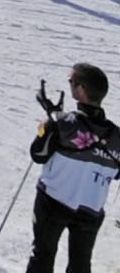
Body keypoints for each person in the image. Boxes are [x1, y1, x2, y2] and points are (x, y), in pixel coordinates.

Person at [28, 63, 120, 273]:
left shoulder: (64, 124)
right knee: (80, 265)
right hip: (91, 209)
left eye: (71, 82)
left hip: (53, 202)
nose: (70, 86)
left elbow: (38, 154)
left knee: (42, 256)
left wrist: (48, 125)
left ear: (81, 90)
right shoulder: (117, 136)